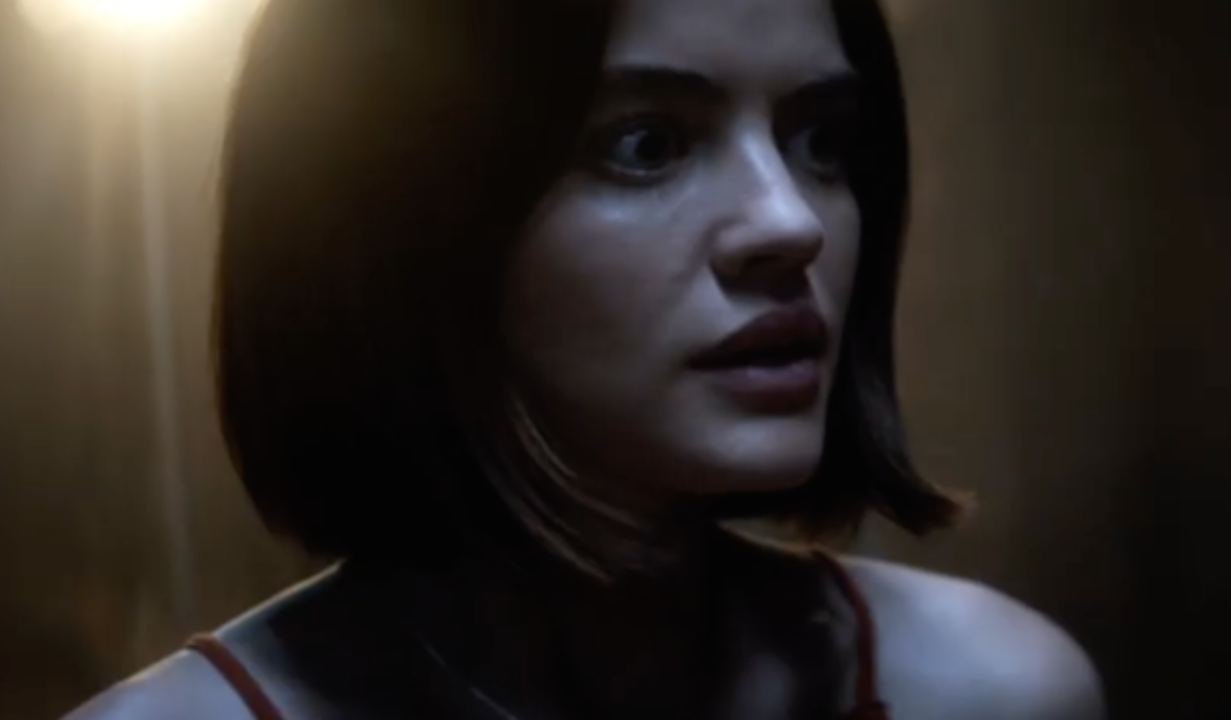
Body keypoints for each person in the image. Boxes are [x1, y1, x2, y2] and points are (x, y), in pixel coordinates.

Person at [67, 0, 1106, 718]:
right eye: (646, 143)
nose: (791, 222)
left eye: (821, 140)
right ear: (392, 224)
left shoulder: (989, 691)